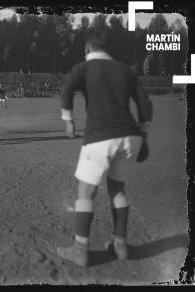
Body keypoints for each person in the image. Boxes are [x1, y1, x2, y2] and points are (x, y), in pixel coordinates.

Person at [56, 30, 153, 267]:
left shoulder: (83, 67)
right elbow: (145, 104)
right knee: (117, 190)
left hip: (100, 136)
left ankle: (81, 249)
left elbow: (67, 90)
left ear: (88, 49)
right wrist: (143, 136)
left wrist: (68, 121)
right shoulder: (125, 69)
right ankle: (120, 245)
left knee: (85, 193)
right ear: (108, 51)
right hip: (130, 136)